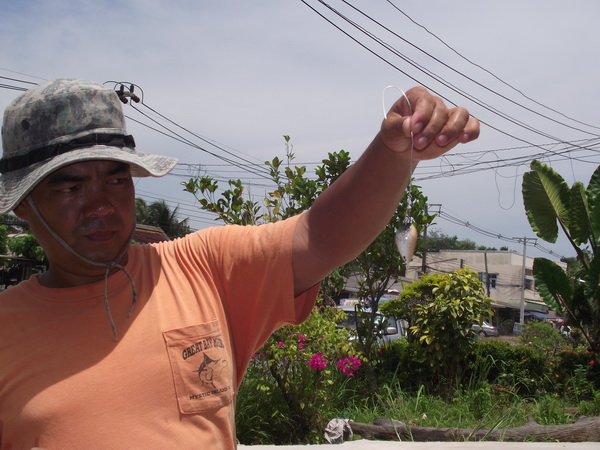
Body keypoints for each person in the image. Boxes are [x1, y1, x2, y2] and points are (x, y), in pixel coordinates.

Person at [0, 78, 479, 448]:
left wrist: (394, 154)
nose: (100, 205)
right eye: (69, 186)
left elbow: (321, 234)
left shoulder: (201, 267)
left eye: (116, 179)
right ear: (23, 204)